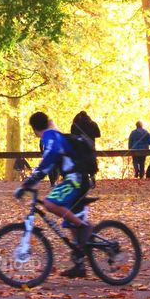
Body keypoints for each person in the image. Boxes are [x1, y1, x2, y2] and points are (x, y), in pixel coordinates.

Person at [16, 111, 92, 278]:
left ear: (34, 129)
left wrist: (31, 180)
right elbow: (51, 162)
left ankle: (84, 226)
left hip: (75, 180)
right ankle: (80, 264)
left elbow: (50, 156)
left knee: (50, 203)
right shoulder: (54, 134)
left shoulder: (50, 136)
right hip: (77, 178)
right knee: (71, 222)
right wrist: (36, 178)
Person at [70, 111, 101, 187]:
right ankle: (92, 175)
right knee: (91, 161)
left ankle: (85, 180)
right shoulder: (93, 124)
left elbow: (72, 136)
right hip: (90, 146)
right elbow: (98, 134)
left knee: (82, 163)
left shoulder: (75, 125)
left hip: (79, 147)